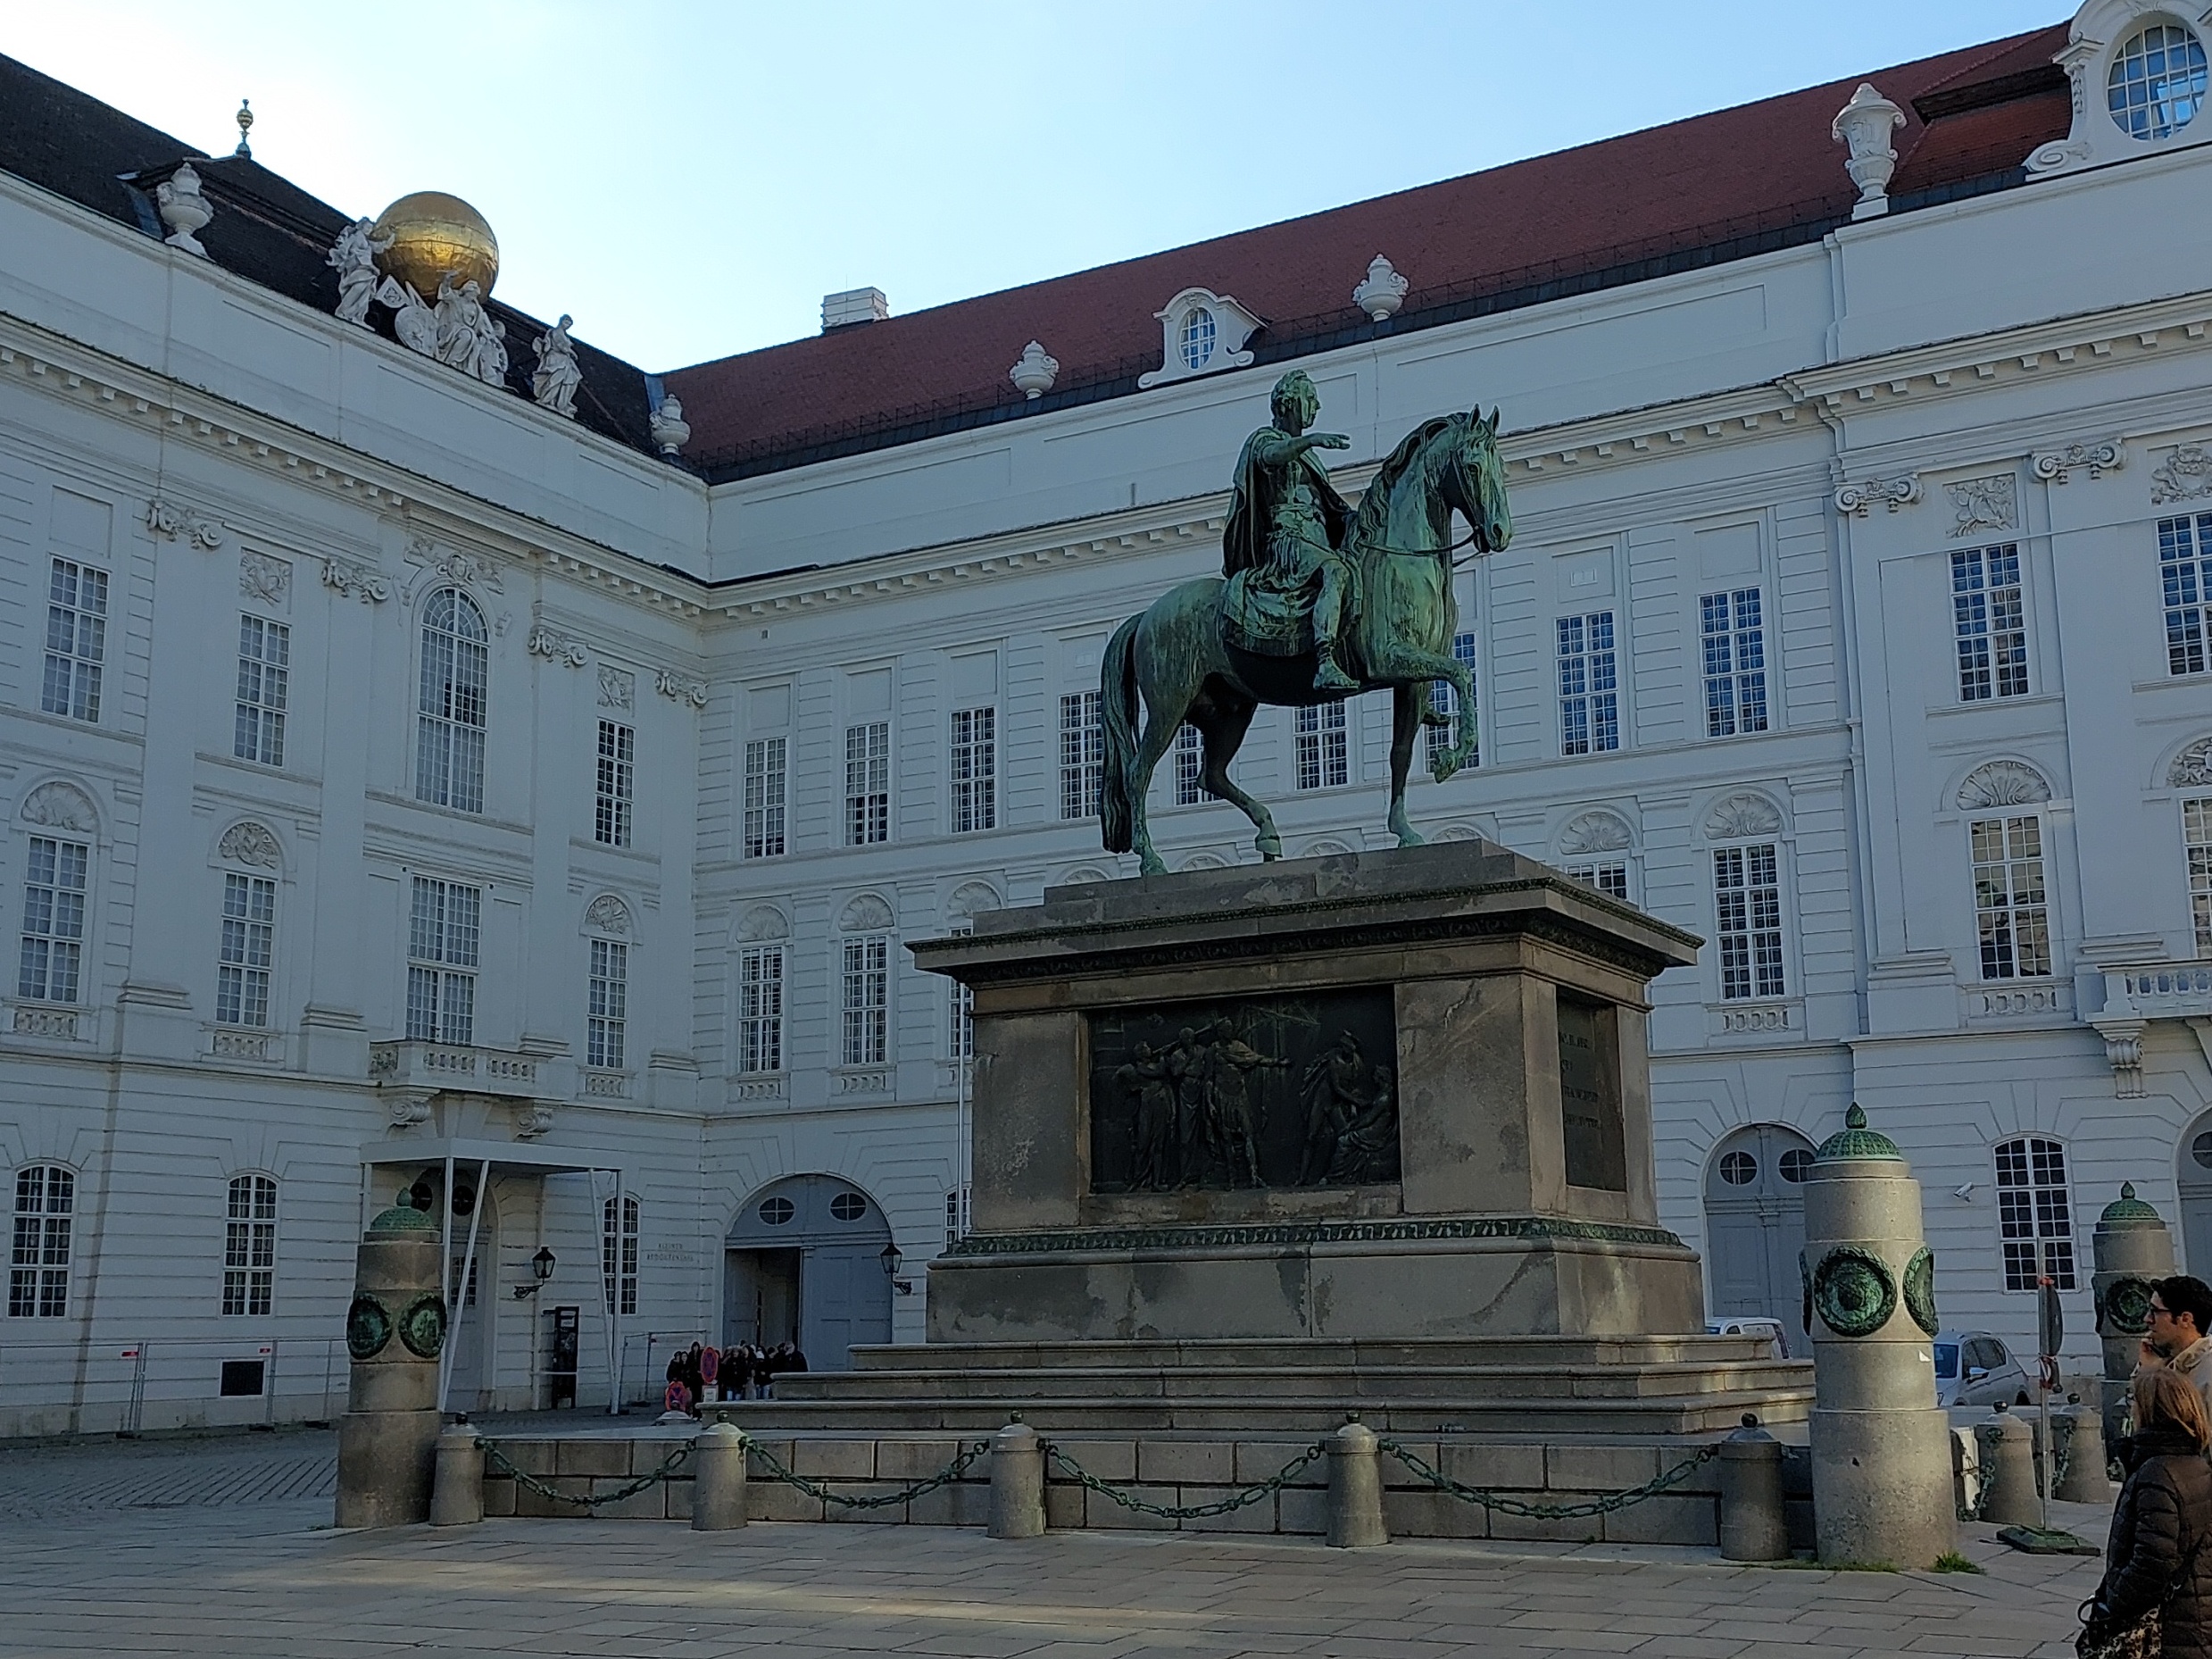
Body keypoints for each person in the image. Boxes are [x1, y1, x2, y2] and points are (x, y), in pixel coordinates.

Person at [1220, 370, 1359, 692]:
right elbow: (1271, 458)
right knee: (1336, 573)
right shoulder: (1264, 439)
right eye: (1310, 398)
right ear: (1288, 403)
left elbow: (1329, 506)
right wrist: (1309, 440)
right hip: (1288, 541)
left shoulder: (1309, 456)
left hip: (1318, 539)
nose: (1317, 405)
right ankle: (1325, 661)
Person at [2081, 1367, 2212, 1658]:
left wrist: (2113, 1603)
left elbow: (2153, 1560)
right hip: (2193, 1623)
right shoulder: (2196, 1465)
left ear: (2152, 1410)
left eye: (2135, 1403)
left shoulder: (2158, 1473)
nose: (2132, 1411)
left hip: (2167, 1631)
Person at [2136, 1275, 2212, 1425]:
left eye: (2155, 1311)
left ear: (2185, 1319)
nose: (2147, 1319)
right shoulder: (2160, 1363)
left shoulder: (2208, 1371)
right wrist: (2146, 1373)